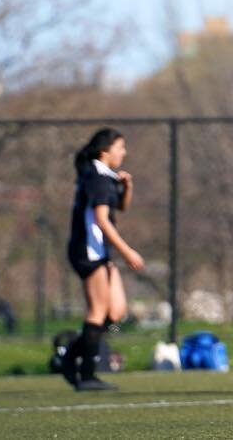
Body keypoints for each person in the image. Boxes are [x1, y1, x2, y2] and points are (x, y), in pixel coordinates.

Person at [63, 128, 143, 391]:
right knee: (97, 311)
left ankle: (69, 356)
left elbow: (120, 207)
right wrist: (127, 251)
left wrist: (127, 187)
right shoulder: (97, 177)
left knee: (116, 312)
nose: (124, 152)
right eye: (120, 147)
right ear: (105, 150)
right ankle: (86, 375)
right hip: (89, 251)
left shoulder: (105, 177)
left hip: (99, 252)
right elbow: (101, 219)